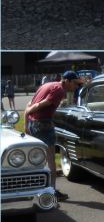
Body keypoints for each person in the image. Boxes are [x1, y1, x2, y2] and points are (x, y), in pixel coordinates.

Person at [24, 71, 83, 202]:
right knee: (51, 159)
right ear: (67, 80)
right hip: (43, 124)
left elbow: (29, 103)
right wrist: (29, 111)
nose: (76, 87)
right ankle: (52, 191)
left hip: (33, 123)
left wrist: (26, 123)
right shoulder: (59, 90)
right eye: (75, 83)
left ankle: (36, 188)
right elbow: (40, 104)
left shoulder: (47, 85)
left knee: (38, 158)